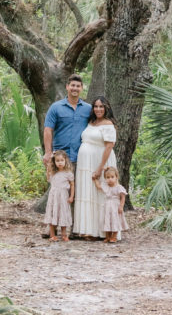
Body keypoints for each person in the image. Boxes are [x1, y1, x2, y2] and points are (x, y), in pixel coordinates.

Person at [73, 96, 120, 240]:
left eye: (101, 106)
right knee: (87, 193)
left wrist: (100, 168)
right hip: (85, 164)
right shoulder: (91, 122)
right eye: (96, 106)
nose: (98, 109)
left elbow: (109, 146)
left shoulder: (108, 125)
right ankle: (87, 229)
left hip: (100, 162)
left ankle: (101, 231)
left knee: (100, 194)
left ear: (106, 108)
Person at [43, 74, 92, 170]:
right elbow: (48, 130)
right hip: (60, 158)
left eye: (78, 86)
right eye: (72, 85)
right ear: (67, 87)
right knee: (59, 184)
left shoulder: (88, 109)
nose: (75, 88)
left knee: (80, 185)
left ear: (81, 88)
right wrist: (48, 153)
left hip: (81, 157)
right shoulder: (55, 107)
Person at [43, 150, 74, 242]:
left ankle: (64, 235)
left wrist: (71, 196)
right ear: (54, 162)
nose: (60, 163)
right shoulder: (53, 173)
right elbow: (48, 178)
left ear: (65, 161)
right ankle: (52, 235)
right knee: (53, 214)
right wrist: (49, 166)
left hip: (63, 197)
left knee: (63, 214)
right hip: (54, 197)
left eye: (61, 160)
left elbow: (72, 185)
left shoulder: (68, 173)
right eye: (57, 161)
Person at [95, 166, 128, 244]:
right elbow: (99, 186)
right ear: (105, 178)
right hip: (107, 206)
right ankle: (108, 236)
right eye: (107, 177)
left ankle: (114, 236)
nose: (110, 179)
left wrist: (121, 206)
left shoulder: (119, 187)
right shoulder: (106, 186)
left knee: (115, 220)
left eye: (112, 177)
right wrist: (95, 179)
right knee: (107, 220)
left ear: (116, 177)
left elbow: (123, 197)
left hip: (115, 206)